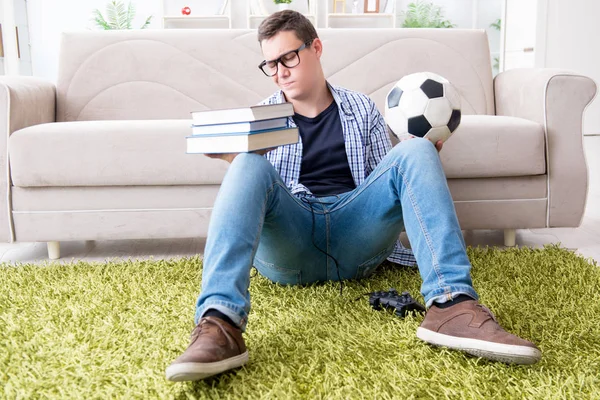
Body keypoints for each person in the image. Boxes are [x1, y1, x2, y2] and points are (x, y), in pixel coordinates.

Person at [166, 10, 541, 382]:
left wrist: (420, 163)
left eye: (288, 58)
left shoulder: (362, 109)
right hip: (292, 243)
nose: (280, 71)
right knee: (247, 166)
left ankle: (452, 307)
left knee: (415, 151)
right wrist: (239, 160)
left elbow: (387, 184)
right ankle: (220, 323)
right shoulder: (262, 117)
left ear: (316, 48)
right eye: (270, 64)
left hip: (355, 235)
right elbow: (267, 201)